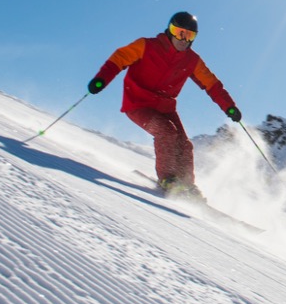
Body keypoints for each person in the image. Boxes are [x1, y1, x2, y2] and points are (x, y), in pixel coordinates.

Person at [88, 11, 242, 199]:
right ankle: (167, 179)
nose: (183, 39)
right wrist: (101, 79)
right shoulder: (146, 46)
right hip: (138, 104)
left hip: (165, 108)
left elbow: (212, 85)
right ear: (169, 30)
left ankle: (187, 186)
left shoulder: (192, 60)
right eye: (179, 32)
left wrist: (229, 106)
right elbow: (119, 58)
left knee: (184, 145)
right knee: (166, 132)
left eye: (189, 35)